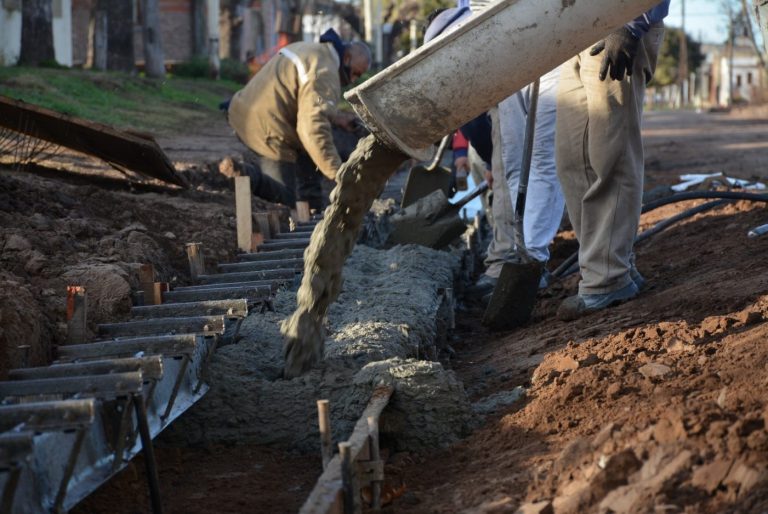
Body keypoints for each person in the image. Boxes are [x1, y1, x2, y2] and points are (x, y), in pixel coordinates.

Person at [555, 1, 670, 320]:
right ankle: (614, 263)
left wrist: (633, 23)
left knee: (611, 156)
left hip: (619, 21)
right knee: (572, 159)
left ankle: (607, 278)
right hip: (577, 30)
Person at [227, 29, 371, 209]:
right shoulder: (325, 71)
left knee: (313, 151)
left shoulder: (314, 51)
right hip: (264, 127)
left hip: (245, 109)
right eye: (356, 73)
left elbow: (307, 100)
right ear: (347, 58)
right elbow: (313, 129)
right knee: (285, 200)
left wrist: (337, 117)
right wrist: (339, 174)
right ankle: (246, 175)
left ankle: (312, 201)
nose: (353, 80)